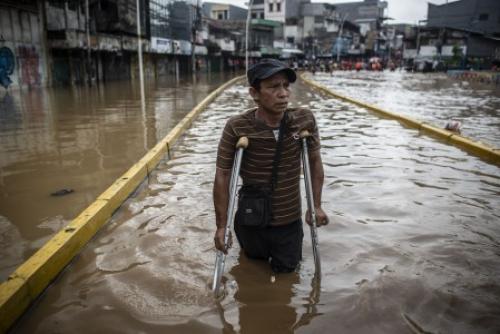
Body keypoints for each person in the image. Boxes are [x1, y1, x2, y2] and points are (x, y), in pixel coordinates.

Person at [213, 58, 329, 273]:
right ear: (254, 93)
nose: (284, 93)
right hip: (251, 220)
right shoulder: (236, 127)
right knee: (252, 274)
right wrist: (222, 226)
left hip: (289, 223)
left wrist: (317, 205)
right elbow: (223, 175)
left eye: (286, 86)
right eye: (274, 87)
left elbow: (314, 161)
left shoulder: (304, 120)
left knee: (287, 277)